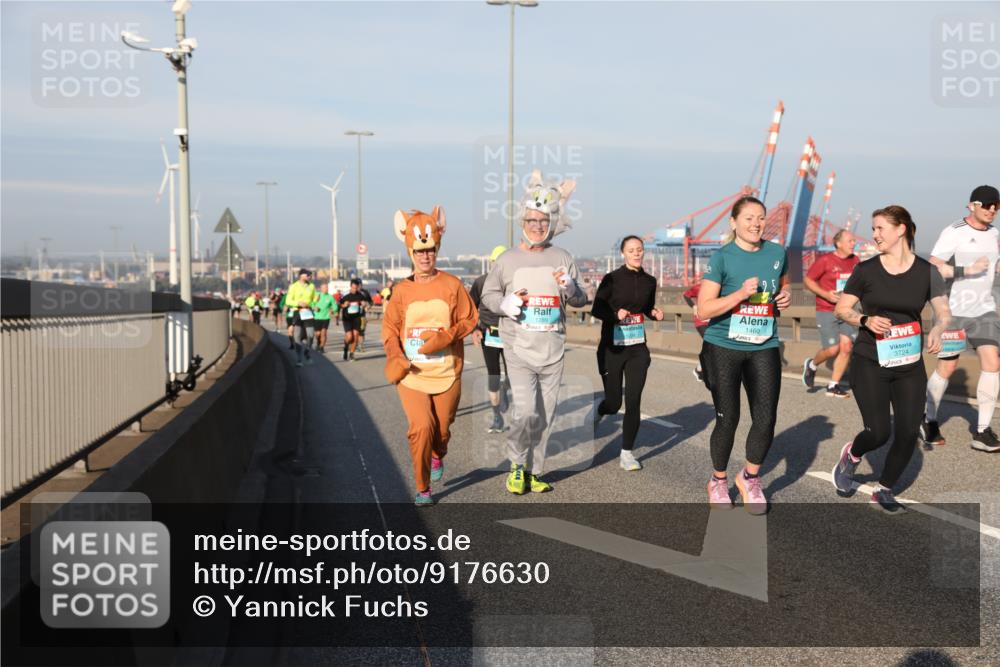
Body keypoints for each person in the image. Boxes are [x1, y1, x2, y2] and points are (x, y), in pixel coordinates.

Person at [831, 205, 951, 513]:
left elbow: (943, 311)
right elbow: (842, 309)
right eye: (873, 228)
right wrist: (865, 320)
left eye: (880, 228)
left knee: (909, 432)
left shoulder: (927, 272)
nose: (874, 234)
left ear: (901, 230)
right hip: (870, 360)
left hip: (908, 364)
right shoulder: (866, 271)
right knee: (878, 432)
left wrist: (938, 327)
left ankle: (884, 489)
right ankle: (852, 456)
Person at [481, 169, 586, 495]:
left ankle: (534, 471)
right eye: (531, 220)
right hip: (519, 349)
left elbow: (582, 299)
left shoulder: (563, 257)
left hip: (553, 347)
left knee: (545, 414)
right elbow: (488, 295)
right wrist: (506, 303)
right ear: (522, 221)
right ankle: (515, 463)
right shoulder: (509, 260)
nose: (537, 226)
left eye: (543, 221)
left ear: (551, 223)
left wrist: (570, 288)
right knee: (525, 411)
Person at [697, 195, 790, 514]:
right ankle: (718, 480)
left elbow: (782, 282)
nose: (756, 223)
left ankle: (750, 477)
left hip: (763, 344)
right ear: (733, 223)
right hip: (724, 345)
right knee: (729, 418)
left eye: (761, 218)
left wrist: (784, 296)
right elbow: (704, 307)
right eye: (749, 218)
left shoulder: (777, 252)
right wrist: (739, 294)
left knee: (766, 418)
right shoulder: (722, 257)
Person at [382, 206, 478, 505]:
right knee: (421, 428)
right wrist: (395, 356)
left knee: (442, 429)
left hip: (447, 372)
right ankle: (423, 487)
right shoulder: (401, 291)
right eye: (420, 251)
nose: (425, 256)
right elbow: (389, 328)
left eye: (431, 250)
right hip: (412, 375)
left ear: (437, 249)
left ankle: (438, 454)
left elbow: (470, 319)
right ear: (410, 251)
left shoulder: (452, 285)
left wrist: (444, 338)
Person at [921, 185, 1000, 452]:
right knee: (947, 368)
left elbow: (994, 266)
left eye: (996, 206)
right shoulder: (954, 232)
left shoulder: (994, 234)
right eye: (987, 205)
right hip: (952, 311)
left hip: (984, 310)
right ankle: (928, 419)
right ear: (972, 205)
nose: (992, 210)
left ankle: (982, 431)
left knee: (992, 361)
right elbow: (932, 266)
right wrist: (967, 269)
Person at [592, 235, 665, 471]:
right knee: (614, 403)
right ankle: (599, 411)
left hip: (637, 349)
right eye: (631, 250)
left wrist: (654, 313)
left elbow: (646, 307)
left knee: (633, 402)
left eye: (640, 250)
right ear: (623, 253)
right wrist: (615, 314)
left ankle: (626, 453)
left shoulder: (649, 281)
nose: (636, 253)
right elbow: (597, 308)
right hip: (612, 349)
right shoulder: (611, 279)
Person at [802, 230, 860, 398]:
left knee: (847, 346)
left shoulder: (855, 260)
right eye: (850, 240)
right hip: (826, 309)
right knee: (833, 349)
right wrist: (826, 294)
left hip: (848, 310)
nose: (853, 243)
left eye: (854, 240)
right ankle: (812, 365)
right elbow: (808, 280)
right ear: (838, 243)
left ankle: (833, 386)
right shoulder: (825, 260)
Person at [469, 245, 511, 434]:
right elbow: (469, 309)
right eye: (496, 262)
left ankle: (506, 388)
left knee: (514, 375)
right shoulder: (480, 283)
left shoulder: (514, 283)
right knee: (493, 373)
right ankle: (496, 416)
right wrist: (474, 329)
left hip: (511, 334)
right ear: (491, 263)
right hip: (490, 333)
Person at [286, 269, 318, 367]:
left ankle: (307, 351)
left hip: (308, 312)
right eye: (308, 275)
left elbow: (315, 298)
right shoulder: (293, 286)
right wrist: (298, 303)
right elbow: (288, 301)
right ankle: (299, 359)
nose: (310, 277)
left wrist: (313, 305)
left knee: (311, 334)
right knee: (297, 336)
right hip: (297, 312)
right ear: (301, 276)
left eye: (310, 275)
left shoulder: (311, 286)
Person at [683, 281, 710, 382]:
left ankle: (700, 368)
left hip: (714, 322)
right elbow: (686, 295)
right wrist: (693, 306)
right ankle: (700, 369)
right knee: (710, 342)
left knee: (712, 346)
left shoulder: (723, 288)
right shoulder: (700, 287)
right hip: (701, 321)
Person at [339, 279, 368, 361]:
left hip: (356, 318)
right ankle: (345, 347)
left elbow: (365, 304)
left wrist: (364, 304)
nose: (355, 290)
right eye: (353, 288)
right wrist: (344, 305)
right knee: (349, 336)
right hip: (347, 318)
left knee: (355, 336)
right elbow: (339, 305)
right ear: (350, 286)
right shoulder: (345, 295)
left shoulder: (360, 295)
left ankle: (352, 354)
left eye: (356, 288)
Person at [312, 283, 336, 353]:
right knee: (318, 334)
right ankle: (318, 343)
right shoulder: (317, 295)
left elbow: (335, 306)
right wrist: (314, 307)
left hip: (326, 317)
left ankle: (322, 347)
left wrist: (333, 310)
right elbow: (311, 303)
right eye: (325, 288)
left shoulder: (330, 297)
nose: (326, 289)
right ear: (321, 288)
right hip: (317, 317)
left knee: (324, 333)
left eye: (327, 287)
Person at [357, 283, 374, 352]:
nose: (359, 286)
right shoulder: (350, 292)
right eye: (357, 285)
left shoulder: (365, 292)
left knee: (361, 332)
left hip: (362, 316)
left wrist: (368, 307)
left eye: (360, 284)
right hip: (352, 317)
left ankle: (360, 346)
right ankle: (353, 344)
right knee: (353, 333)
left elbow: (371, 302)